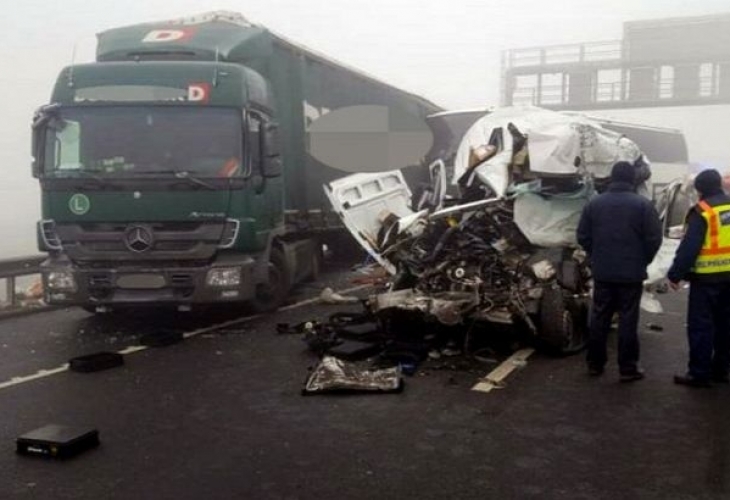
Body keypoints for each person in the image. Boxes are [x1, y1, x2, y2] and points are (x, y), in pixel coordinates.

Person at [577, 161, 663, 382]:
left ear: (612, 178)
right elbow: (654, 238)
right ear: (632, 179)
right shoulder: (643, 205)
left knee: (599, 316)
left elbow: (582, 236)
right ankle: (628, 368)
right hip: (631, 272)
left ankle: (595, 364)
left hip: (603, 271)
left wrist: (596, 254)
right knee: (628, 319)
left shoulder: (594, 204)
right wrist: (643, 259)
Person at [667, 169, 730, 387]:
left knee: (701, 326)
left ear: (700, 189)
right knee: (725, 325)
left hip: (707, 279)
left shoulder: (702, 211)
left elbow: (690, 247)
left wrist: (675, 274)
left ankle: (699, 373)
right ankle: (722, 369)